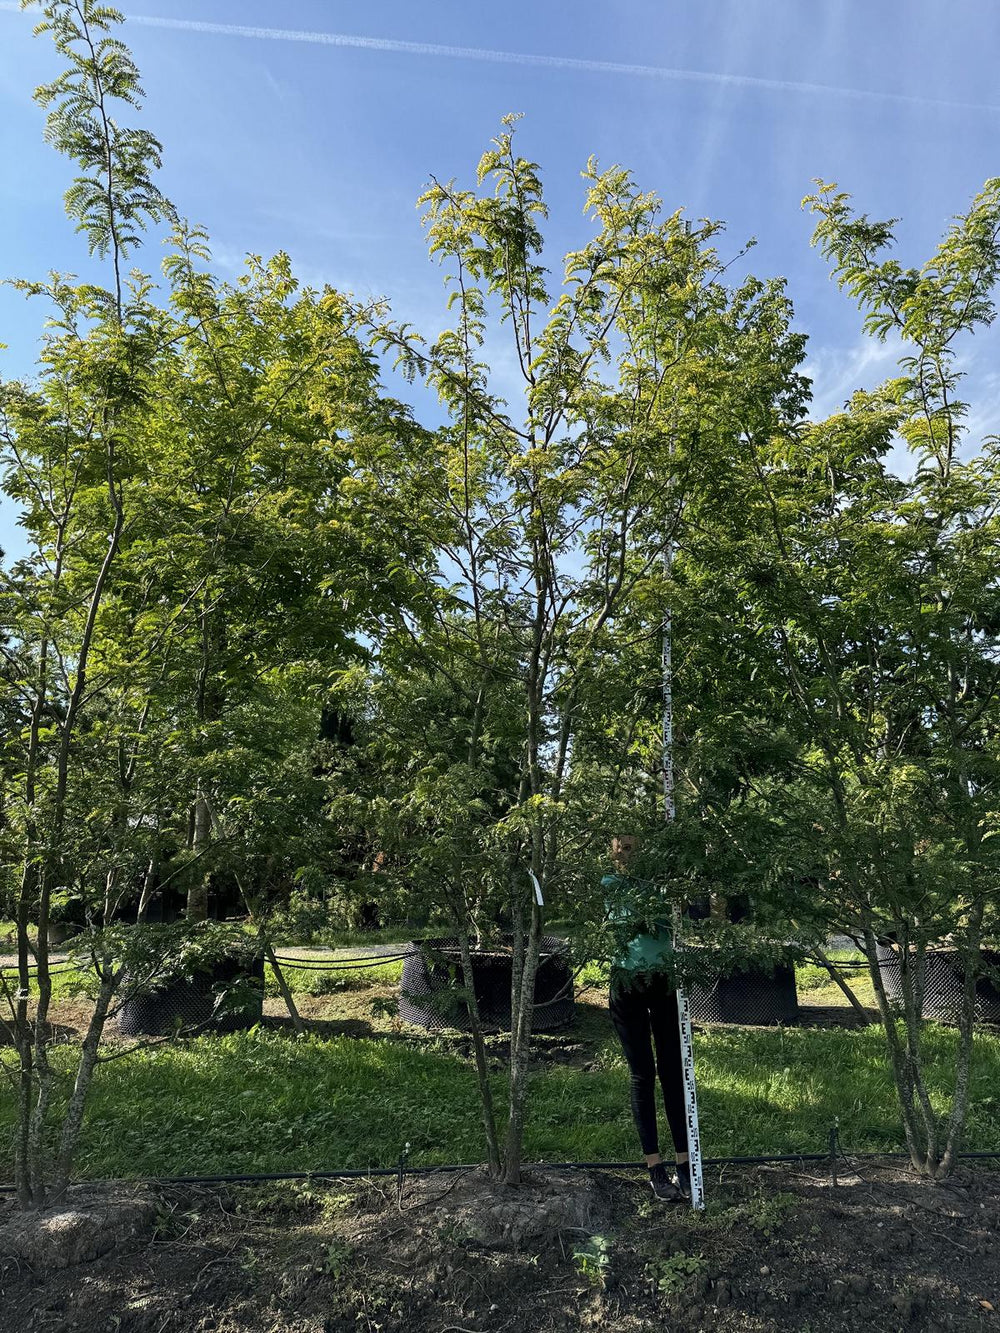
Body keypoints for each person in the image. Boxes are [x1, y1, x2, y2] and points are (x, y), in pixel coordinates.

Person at [603, 833, 691, 1203]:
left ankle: (686, 1163)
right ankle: (655, 1166)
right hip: (627, 982)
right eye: (621, 848)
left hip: (664, 980)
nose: (628, 854)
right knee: (643, 1073)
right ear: (612, 852)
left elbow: (680, 914)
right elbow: (625, 925)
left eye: (635, 847)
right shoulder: (610, 885)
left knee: (674, 1069)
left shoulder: (665, 885)